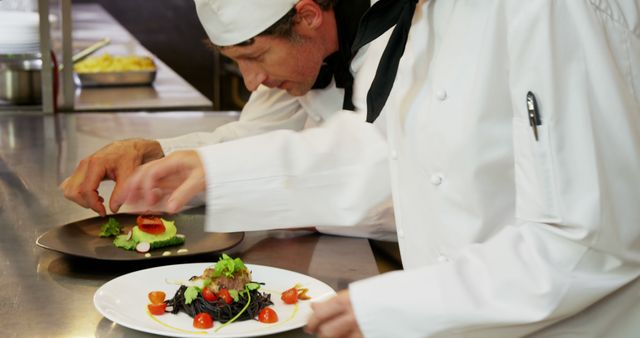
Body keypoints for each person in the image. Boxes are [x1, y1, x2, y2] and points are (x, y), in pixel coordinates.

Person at [120, 0, 640, 337]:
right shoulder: (424, 10)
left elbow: (587, 240)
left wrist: (400, 305)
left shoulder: (554, 8)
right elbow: (393, 152)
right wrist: (215, 169)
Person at [60, 0, 397, 241]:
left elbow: (402, 188)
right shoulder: (297, 60)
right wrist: (157, 156)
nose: (251, 82)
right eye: (238, 62)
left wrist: (297, 202)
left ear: (307, 16)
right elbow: (254, 137)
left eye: (257, 57)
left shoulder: (400, 43)